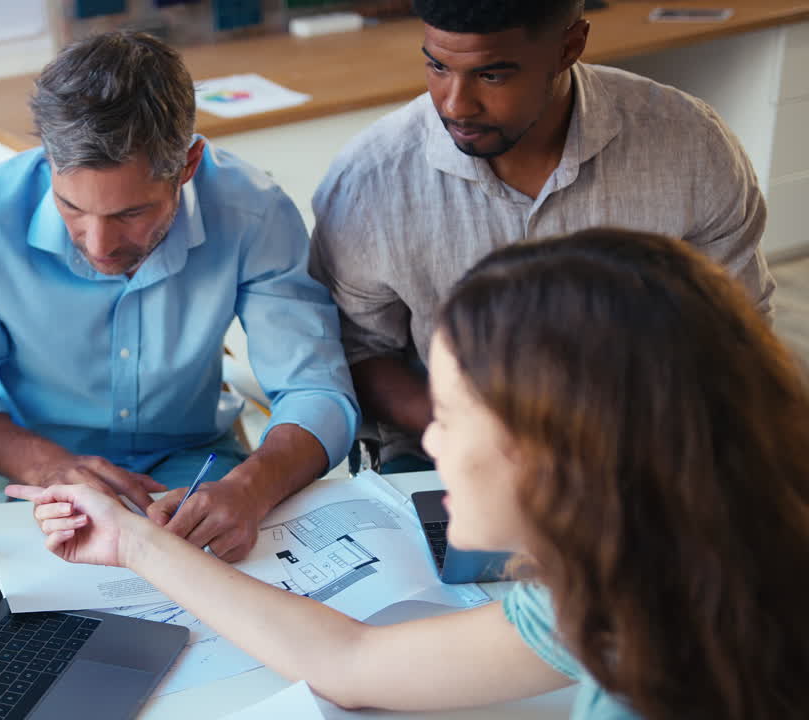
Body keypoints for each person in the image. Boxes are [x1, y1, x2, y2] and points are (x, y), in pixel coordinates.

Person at [10, 227, 809, 719]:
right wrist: (135, 543)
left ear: (561, 448)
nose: (430, 438)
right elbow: (352, 664)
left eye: (452, 414)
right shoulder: (621, 587)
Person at [0, 31, 358, 562]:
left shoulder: (253, 213)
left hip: (193, 468)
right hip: (33, 475)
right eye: (72, 207)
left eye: (130, 213)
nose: (99, 246)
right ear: (48, 159)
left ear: (188, 165)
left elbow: (315, 387)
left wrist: (253, 487)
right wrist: (46, 466)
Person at [310, 0, 775, 470]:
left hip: (650, 443)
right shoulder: (369, 181)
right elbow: (356, 350)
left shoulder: (692, 147)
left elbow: (736, 331)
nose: (455, 105)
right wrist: (472, 433)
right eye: (438, 67)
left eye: (492, 75)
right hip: (451, 454)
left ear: (569, 47)